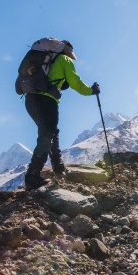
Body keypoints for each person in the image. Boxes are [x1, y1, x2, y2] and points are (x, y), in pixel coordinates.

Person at [24, 39, 99, 189]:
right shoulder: (64, 59)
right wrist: (92, 90)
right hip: (47, 101)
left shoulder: (44, 59)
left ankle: (58, 168)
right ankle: (32, 176)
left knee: (50, 133)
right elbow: (76, 83)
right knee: (46, 136)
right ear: (66, 51)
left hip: (30, 100)